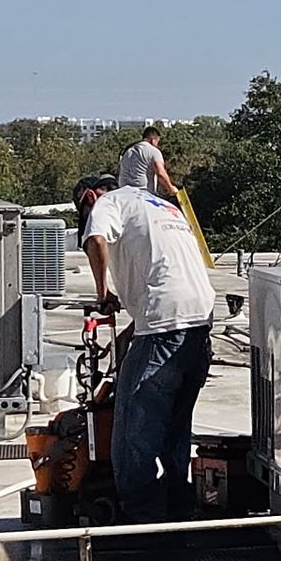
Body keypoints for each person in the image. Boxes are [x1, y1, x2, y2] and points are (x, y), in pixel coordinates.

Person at [74, 173, 214, 523]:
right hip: (199, 325)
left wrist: (102, 295)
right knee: (175, 425)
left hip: (162, 331)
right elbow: (168, 276)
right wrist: (131, 333)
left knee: (131, 429)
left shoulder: (107, 202)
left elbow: (95, 240)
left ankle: (139, 517)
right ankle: (178, 505)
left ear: (90, 196)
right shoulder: (161, 206)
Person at [118, 125, 177, 198]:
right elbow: (160, 173)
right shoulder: (153, 151)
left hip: (123, 193)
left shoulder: (128, 151)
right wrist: (170, 188)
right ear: (153, 140)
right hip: (142, 193)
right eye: (157, 142)